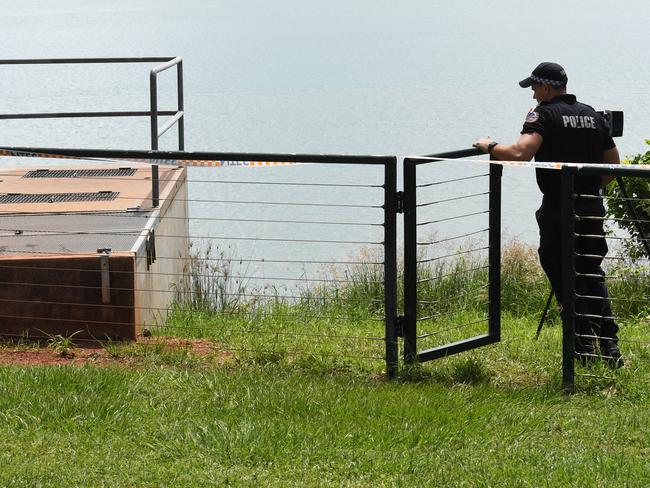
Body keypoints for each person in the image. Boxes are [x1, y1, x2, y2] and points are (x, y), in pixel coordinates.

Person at [472, 62, 622, 366]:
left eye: (534, 89)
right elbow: (611, 167)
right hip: (591, 205)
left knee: (561, 270)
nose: (532, 96)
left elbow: (520, 153)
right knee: (591, 272)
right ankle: (609, 343)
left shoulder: (543, 113)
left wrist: (490, 145)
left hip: (559, 206)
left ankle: (582, 345)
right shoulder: (592, 114)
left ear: (545, 87)